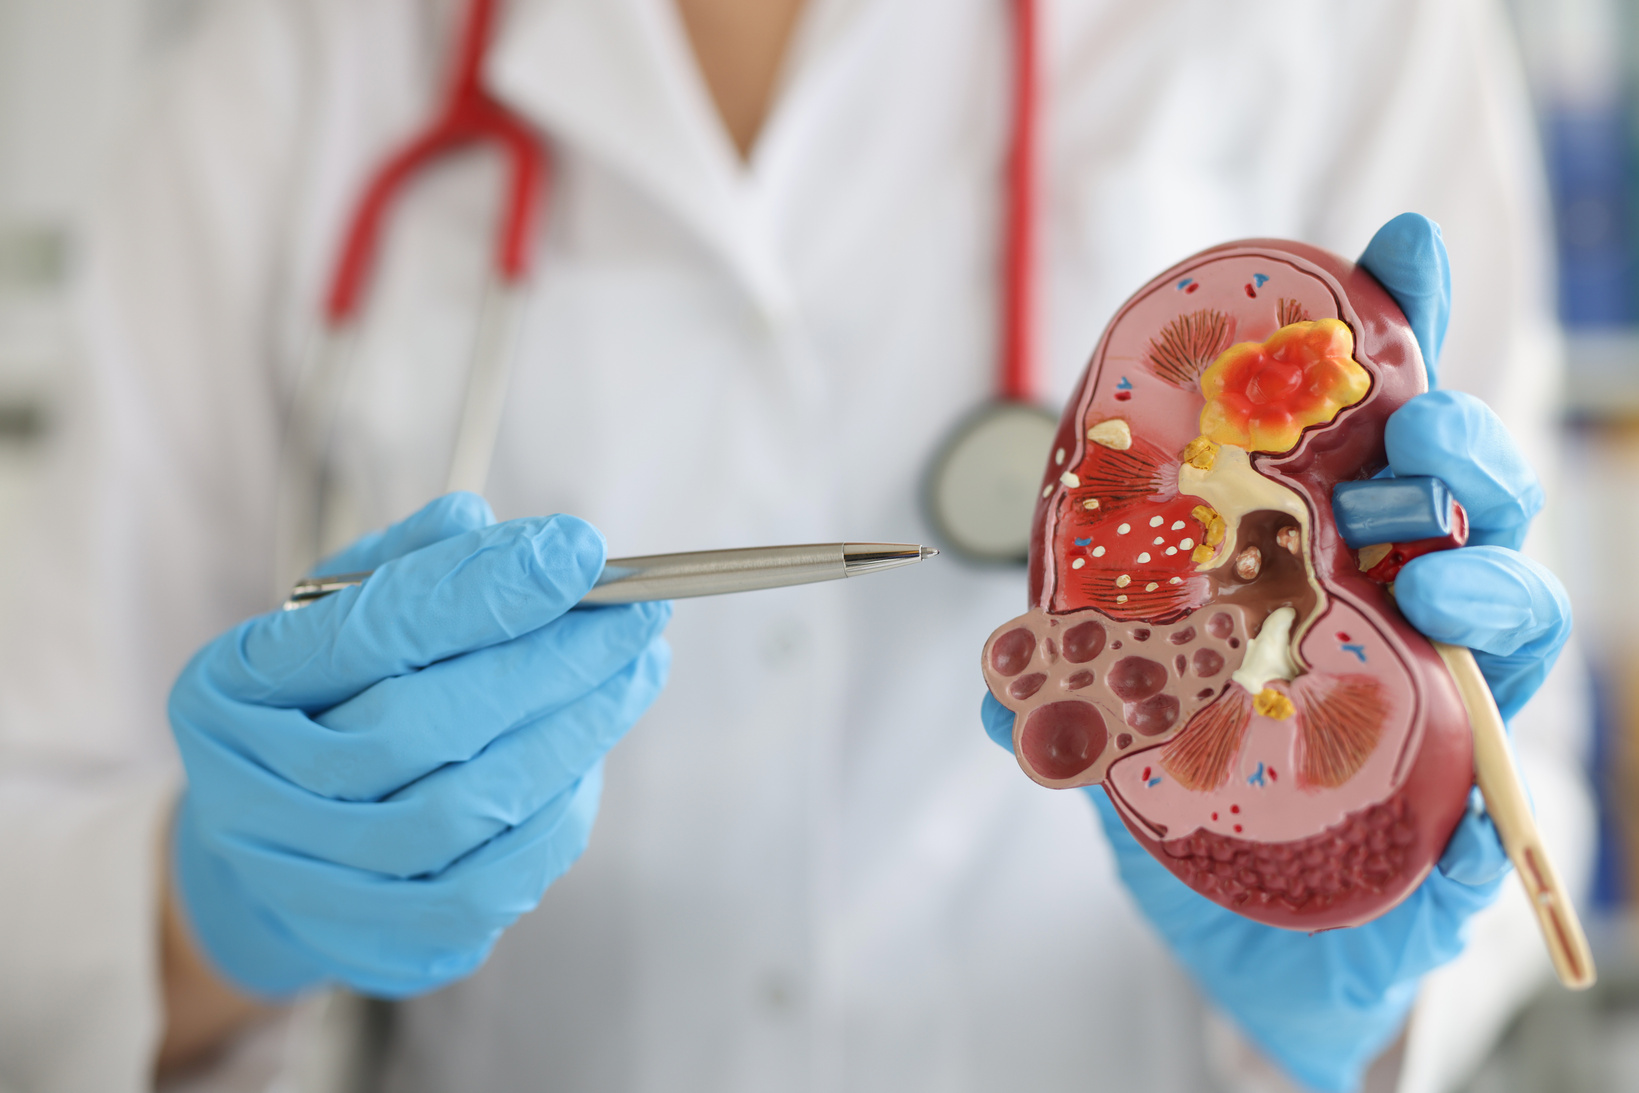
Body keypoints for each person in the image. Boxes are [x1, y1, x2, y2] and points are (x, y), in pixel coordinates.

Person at [0, 1, 1592, 1091]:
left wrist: (1349, 979)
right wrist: (219, 903)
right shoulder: (289, 68)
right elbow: (34, 845)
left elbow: (1529, 777)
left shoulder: (1348, 29)